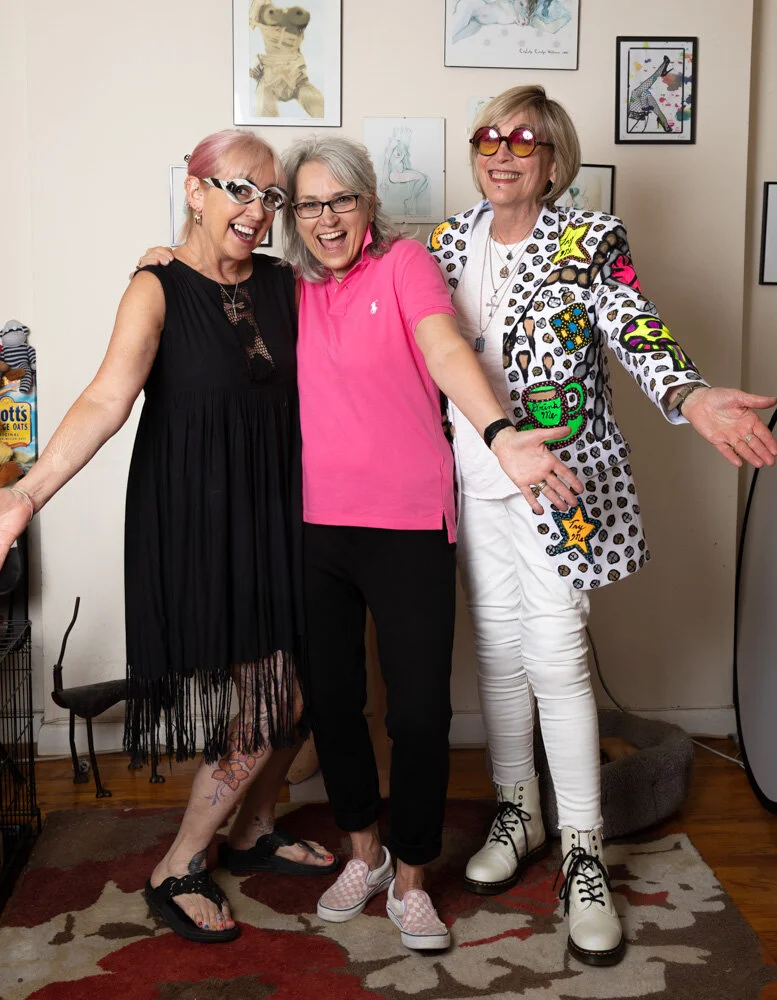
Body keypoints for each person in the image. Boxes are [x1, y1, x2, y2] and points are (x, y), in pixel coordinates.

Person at [427, 84, 777, 966]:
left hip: (560, 488)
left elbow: (631, 322)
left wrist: (691, 394)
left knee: (554, 657)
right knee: (498, 654)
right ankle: (519, 811)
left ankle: (582, 849)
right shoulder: (440, 245)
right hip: (470, 479)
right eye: (488, 138)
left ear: (553, 160)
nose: (502, 154)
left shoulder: (589, 239)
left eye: (524, 142)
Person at [0, 129, 339, 944]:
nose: (258, 211)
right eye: (239, 190)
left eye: (271, 197)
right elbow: (103, 401)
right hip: (198, 514)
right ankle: (179, 863)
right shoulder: (155, 287)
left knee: (296, 676)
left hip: (281, 511)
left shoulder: (286, 284)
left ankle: (252, 834)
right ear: (194, 191)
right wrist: (25, 497)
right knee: (273, 692)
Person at [278, 133, 589, 952]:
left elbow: (446, 349)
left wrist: (499, 430)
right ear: (294, 216)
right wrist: (165, 252)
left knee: (416, 712)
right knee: (337, 705)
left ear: (368, 202)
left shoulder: (407, 264)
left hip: (409, 522)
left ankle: (413, 877)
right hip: (315, 527)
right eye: (309, 204)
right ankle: (365, 853)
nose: (326, 219)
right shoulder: (289, 290)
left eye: (340, 200)